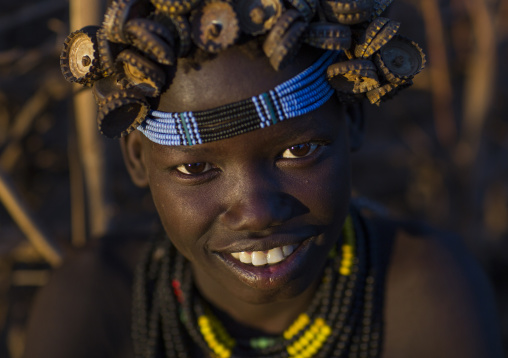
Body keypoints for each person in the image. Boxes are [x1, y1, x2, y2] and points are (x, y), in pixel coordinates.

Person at [23, 0, 504, 357]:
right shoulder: (93, 302)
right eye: (195, 167)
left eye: (298, 151)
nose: (255, 212)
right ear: (137, 160)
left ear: (352, 120)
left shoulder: (428, 298)